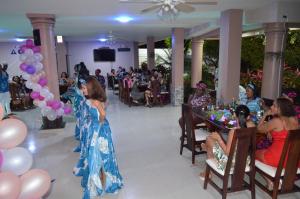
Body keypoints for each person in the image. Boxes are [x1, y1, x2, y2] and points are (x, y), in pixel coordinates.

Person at [81, 77, 123, 198]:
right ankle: (102, 178)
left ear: (90, 88)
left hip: (100, 131)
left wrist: (99, 122)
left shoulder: (95, 101)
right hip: (97, 129)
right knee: (99, 154)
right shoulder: (94, 99)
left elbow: (103, 114)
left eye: (84, 88)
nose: (83, 90)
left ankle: (103, 179)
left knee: (99, 154)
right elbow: (104, 107)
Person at [200, 105, 255, 177]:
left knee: (209, 139)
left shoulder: (234, 131)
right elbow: (241, 123)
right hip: (245, 161)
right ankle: (207, 148)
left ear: (234, 115)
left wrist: (218, 138)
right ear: (248, 117)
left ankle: (209, 173)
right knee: (211, 141)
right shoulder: (253, 126)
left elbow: (227, 153)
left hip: (231, 163)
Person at [256, 98, 299, 188]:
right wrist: (270, 132)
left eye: (274, 105)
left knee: (254, 153)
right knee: (264, 150)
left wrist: (265, 114)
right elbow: (283, 133)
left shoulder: (277, 121)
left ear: (280, 109)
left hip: (278, 159)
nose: (271, 107)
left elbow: (258, 129)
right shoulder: (295, 120)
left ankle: (271, 181)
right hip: (293, 159)